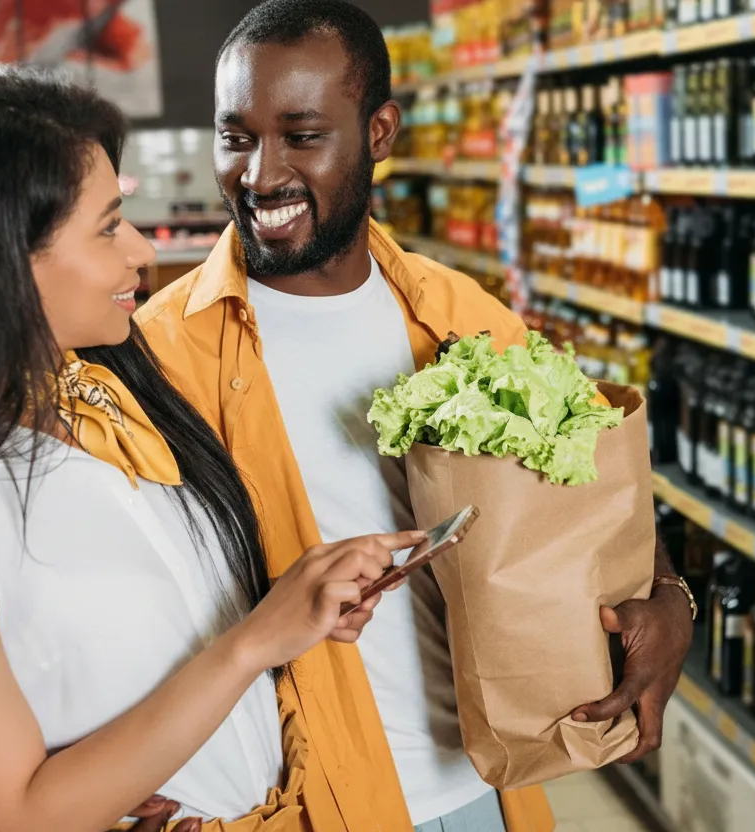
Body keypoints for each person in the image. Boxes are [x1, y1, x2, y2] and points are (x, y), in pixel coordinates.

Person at [135, 1, 696, 830]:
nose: (259, 175)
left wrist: (671, 597)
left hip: (483, 786)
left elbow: (583, 474)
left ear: (380, 132)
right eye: (236, 136)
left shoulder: (457, 312)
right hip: (291, 802)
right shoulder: (159, 355)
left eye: (300, 135)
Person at [0, 63, 425, 832]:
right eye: (109, 224)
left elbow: (169, 627)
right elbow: (18, 815)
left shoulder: (118, 393)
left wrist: (299, 603)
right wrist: (252, 642)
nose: (144, 251)